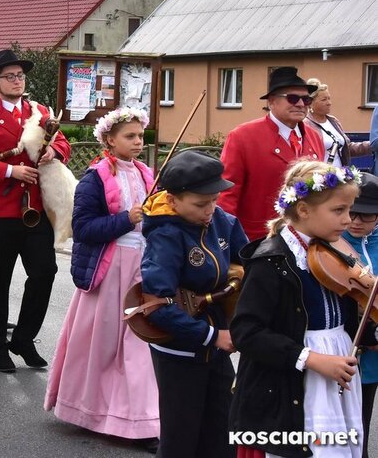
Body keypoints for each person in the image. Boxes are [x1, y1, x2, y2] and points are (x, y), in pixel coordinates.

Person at [230, 161, 372, 458]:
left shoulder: (333, 250)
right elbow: (246, 332)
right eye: (339, 210)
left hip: (338, 365)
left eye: (349, 210)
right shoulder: (272, 261)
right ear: (304, 210)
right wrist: (311, 359)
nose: (348, 220)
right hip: (300, 375)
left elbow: (349, 313)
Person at [44, 107, 159, 451]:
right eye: (130, 136)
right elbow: (82, 228)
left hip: (142, 267)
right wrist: (126, 219)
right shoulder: (94, 178)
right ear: (109, 139)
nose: (138, 142)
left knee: (139, 343)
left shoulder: (147, 174)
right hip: (109, 271)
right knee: (103, 346)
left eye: (140, 136)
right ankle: (92, 410)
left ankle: (140, 421)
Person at [0, 48, 71, 373]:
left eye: (20, 75)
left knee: (45, 271)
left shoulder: (39, 111)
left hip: (34, 209)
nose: (17, 81)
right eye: (10, 76)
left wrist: (54, 153)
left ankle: (23, 338)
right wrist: (10, 171)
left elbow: (62, 142)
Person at [140, 150, 248, 458]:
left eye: (214, 200)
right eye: (201, 204)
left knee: (223, 434)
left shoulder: (222, 221)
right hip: (179, 350)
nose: (210, 210)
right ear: (172, 200)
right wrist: (213, 336)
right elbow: (157, 307)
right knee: (181, 439)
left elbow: (250, 262)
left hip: (217, 345)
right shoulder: (165, 236)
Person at [220, 66, 324, 240]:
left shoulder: (314, 136)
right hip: (257, 239)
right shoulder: (243, 136)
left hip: (305, 238)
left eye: (306, 99)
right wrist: (224, 237)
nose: (300, 104)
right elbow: (227, 192)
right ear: (272, 101)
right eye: (292, 98)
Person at [341, 172, 378, 458]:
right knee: (351, 427)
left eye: (366, 216)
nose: (355, 221)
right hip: (348, 348)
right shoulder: (333, 242)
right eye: (351, 212)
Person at [306, 78, 370, 168]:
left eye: (329, 99)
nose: (329, 103)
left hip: (340, 173)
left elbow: (348, 149)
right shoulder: (305, 124)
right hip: (319, 174)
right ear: (310, 103)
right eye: (324, 100)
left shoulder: (333, 121)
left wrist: (371, 145)